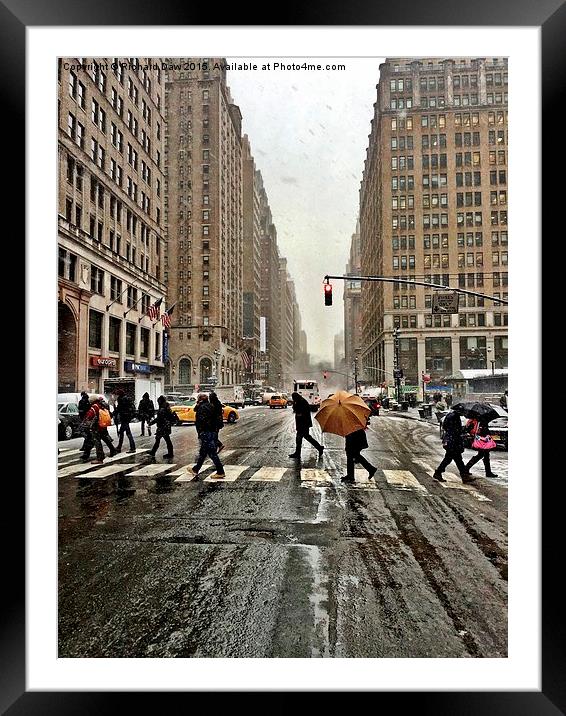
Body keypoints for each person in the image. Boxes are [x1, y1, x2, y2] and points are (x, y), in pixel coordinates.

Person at [433, 404, 474, 483]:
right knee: (454, 459)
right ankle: (439, 473)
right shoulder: (454, 417)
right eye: (462, 412)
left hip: (451, 441)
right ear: (459, 411)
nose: (463, 414)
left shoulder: (451, 416)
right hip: (453, 442)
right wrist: (467, 429)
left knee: (454, 459)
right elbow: (456, 431)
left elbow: (446, 427)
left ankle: (464, 476)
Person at [190, 394, 225, 479]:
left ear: (200, 400)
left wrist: (202, 431)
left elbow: (201, 421)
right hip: (212, 432)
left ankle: (220, 472)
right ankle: (196, 469)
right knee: (203, 452)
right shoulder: (210, 406)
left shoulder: (202, 408)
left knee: (212, 453)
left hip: (206, 432)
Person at [288, 392, 324, 460]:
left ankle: (319, 448)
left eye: (293, 398)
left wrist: (295, 407)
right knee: (305, 437)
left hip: (303, 424)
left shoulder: (301, 402)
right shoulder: (300, 401)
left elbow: (300, 412)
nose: (293, 399)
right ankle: (319, 448)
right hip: (302, 423)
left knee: (301, 438)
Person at [81, 396, 117, 464]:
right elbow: (110, 414)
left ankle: (100, 458)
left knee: (97, 442)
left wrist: (86, 422)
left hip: (96, 427)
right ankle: (113, 450)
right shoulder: (102, 405)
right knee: (104, 438)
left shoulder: (94, 407)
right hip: (102, 425)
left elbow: (89, 416)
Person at [114, 388, 136, 453]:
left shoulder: (121, 399)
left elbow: (119, 408)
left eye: (117, 394)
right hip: (127, 417)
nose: (116, 395)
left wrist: (114, 413)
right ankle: (119, 447)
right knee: (122, 432)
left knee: (128, 433)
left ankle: (132, 447)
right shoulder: (126, 398)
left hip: (124, 418)